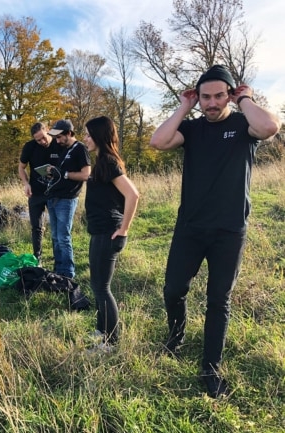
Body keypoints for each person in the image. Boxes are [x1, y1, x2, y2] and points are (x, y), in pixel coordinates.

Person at [149, 65, 281, 398]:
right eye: (205, 97)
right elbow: (158, 141)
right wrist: (183, 106)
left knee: (218, 300)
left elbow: (270, 127)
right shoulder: (191, 129)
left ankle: (211, 367)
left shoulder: (243, 125)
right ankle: (176, 336)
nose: (211, 103)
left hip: (229, 228)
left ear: (230, 95)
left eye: (218, 95)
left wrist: (245, 100)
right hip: (190, 227)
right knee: (173, 288)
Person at [83, 116, 139, 352]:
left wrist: (124, 229)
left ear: (98, 136)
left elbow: (133, 195)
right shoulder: (101, 162)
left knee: (101, 287)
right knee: (96, 284)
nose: (84, 138)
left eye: (87, 134)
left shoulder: (108, 162)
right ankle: (101, 329)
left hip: (109, 232)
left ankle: (111, 343)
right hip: (99, 231)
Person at [45, 119, 91, 278]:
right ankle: (58, 269)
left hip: (67, 199)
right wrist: (52, 172)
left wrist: (64, 174)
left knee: (63, 237)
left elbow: (86, 174)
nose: (57, 140)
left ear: (69, 133)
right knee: (55, 237)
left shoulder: (80, 149)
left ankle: (68, 273)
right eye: (55, 138)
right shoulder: (62, 148)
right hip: (53, 196)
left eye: (59, 137)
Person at [18, 122, 61, 263]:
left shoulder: (58, 143)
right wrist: (26, 183)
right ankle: (37, 258)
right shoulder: (29, 147)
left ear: (47, 131)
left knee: (57, 227)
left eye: (43, 137)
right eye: (38, 140)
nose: (42, 141)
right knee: (36, 227)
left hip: (55, 192)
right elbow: (21, 167)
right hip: (36, 192)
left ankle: (58, 258)